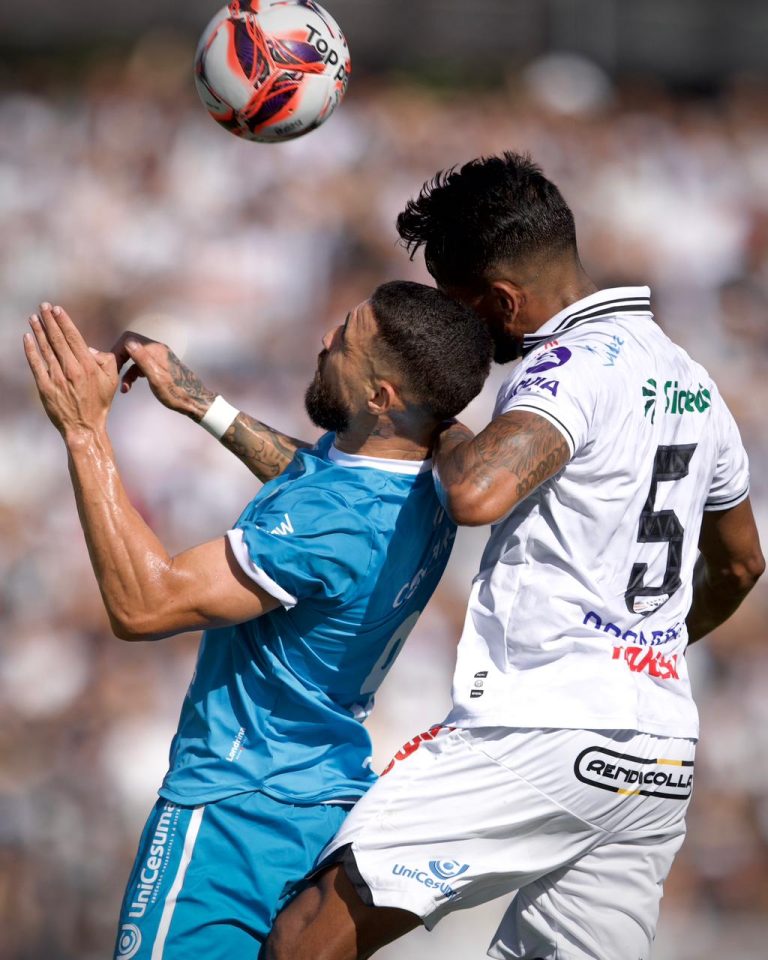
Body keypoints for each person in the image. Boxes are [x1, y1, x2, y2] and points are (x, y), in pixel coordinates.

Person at [259, 152, 766, 960]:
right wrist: (642, 652)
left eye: (460, 307)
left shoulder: (568, 364)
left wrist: (436, 419)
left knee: (303, 938)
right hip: (657, 755)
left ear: (502, 300)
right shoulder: (693, 381)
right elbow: (741, 564)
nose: (458, 332)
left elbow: (476, 493)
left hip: (544, 730)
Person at [22, 280, 493, 960]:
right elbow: (318, 478)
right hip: (322, 805)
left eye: (345, 343)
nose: (324, 342)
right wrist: (200, 404)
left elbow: (144, 603)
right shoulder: (427, 479)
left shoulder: (333, 522)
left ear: (380, 399)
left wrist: (83, 430)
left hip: (233, 814)